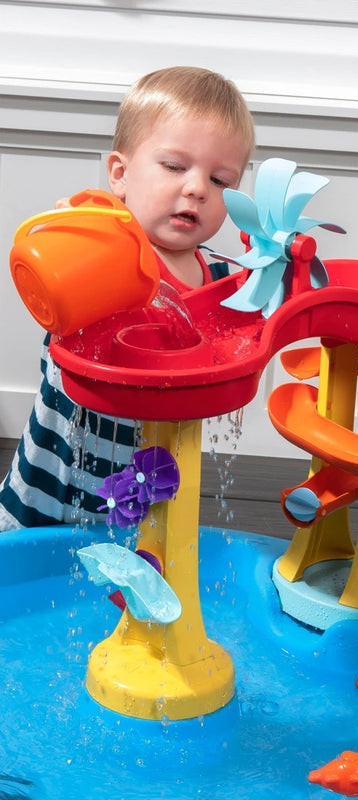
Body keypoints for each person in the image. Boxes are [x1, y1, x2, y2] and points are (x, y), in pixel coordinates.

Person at [0, 66, 255, 530]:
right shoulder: (98, 255)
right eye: (175, 167)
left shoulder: (223, 279)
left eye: (221, 181)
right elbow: (54, 304)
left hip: (149, 489)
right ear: (120, 174)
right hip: (51, 486)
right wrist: (68, 242)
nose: (197, 188)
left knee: (140, 573)